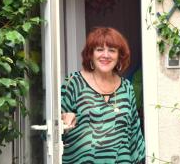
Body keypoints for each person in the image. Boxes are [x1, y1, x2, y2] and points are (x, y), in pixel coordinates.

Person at [61, 27, 145, 164]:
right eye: (99, 49)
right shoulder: (73, 82)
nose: (105, 55)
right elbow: (51, 130)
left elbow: (134, 133)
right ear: (90, 54)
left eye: (112, 50)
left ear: (119, 56)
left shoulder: (126, 87)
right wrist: (63, 118)